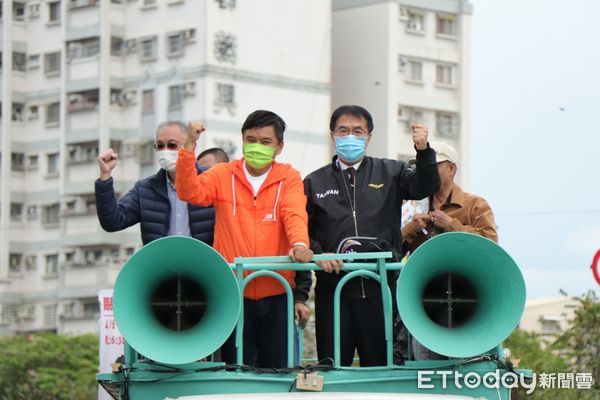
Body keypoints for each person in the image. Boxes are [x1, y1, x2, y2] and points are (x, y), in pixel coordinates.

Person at [304, 105, 440, 367]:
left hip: (380, 288)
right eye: (343, 131)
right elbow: (303, 230)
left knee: (380, 367)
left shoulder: (391, 172)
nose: (350, 137)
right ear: (332, 135)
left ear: (369, 136)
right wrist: (319, 253)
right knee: (332, 368)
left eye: (358, 131)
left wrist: (423, 152)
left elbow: (427, 186)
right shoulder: (314, 182)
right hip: (333, 290)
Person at [175, 110, 313, 368]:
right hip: (233, 293)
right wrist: (189, 148)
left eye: (265, 142)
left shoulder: (289, 177)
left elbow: (294, 212)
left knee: (278, 373)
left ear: (279, 146)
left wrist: (300, 244)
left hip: (277, 291)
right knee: (234, 372)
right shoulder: (223, 174)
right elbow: (188, 191)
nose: (256, 147)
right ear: (242, 140)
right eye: (250, 140)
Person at [401, 142, 498, 361]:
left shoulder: (475, 205)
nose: (424, 172)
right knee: (426, 373)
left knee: (465, 367)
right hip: (423, 306)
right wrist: (410, 229)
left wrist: (452, 225)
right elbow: (392, 251)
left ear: (452, 169)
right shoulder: (411, 207)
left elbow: (491, 246)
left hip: (467, 304)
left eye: (432, 166)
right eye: (421, 168)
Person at [95, 121, 215, 246]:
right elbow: (112, 222)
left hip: (201, 263)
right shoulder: (145, 189)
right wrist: (105, 175)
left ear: (188, 145)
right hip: (162, 264)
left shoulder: (210, 181)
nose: (165, 150)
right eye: (160, 145)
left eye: (172, 145)